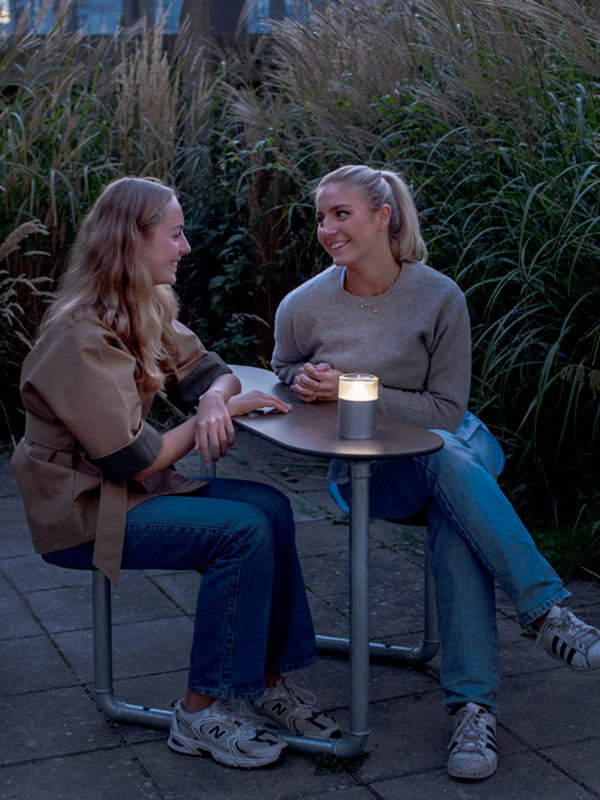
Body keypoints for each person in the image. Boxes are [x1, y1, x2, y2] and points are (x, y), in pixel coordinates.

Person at [271, 164, 600, 781]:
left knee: (444, 453)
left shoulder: (440, 296)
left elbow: (446, 412)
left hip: (456, 448)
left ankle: (475, 713)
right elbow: (283, 369)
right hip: (374, 474)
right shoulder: (303, 305)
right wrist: (305, 381)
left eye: (341, 214)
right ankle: (543, 616)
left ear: (383, 216)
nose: (327, 229)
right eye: (320, 217)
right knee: (457, 518)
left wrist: (354, 388)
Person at [11, 176, 340, 770]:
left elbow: (216, 371)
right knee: (240, 532)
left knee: (269, 506)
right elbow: (130, 459)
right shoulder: (81, 334)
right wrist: (218, 415)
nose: (185, 247)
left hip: (127, 492)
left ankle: (262, 684)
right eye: (176, 234)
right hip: (83, 513)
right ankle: (198, 714)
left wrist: (213, 401)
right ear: (130, 241)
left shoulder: (142, 305)